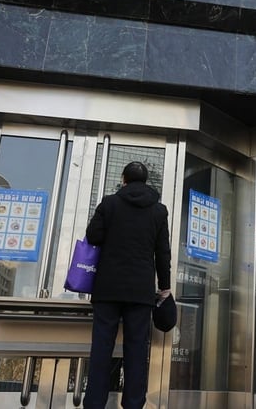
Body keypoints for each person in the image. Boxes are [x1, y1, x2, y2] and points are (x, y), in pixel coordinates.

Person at [84, 161, 171, 409]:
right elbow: (163, 253)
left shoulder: (109, 203)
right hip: (140, 292)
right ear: (145, 182)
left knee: (101, 349)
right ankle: (133, 404)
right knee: (136, 351)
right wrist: (164, 287)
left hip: (108, 288)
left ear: (123, 179)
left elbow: (93, 236)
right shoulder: (158, 210)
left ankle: (94, 404)